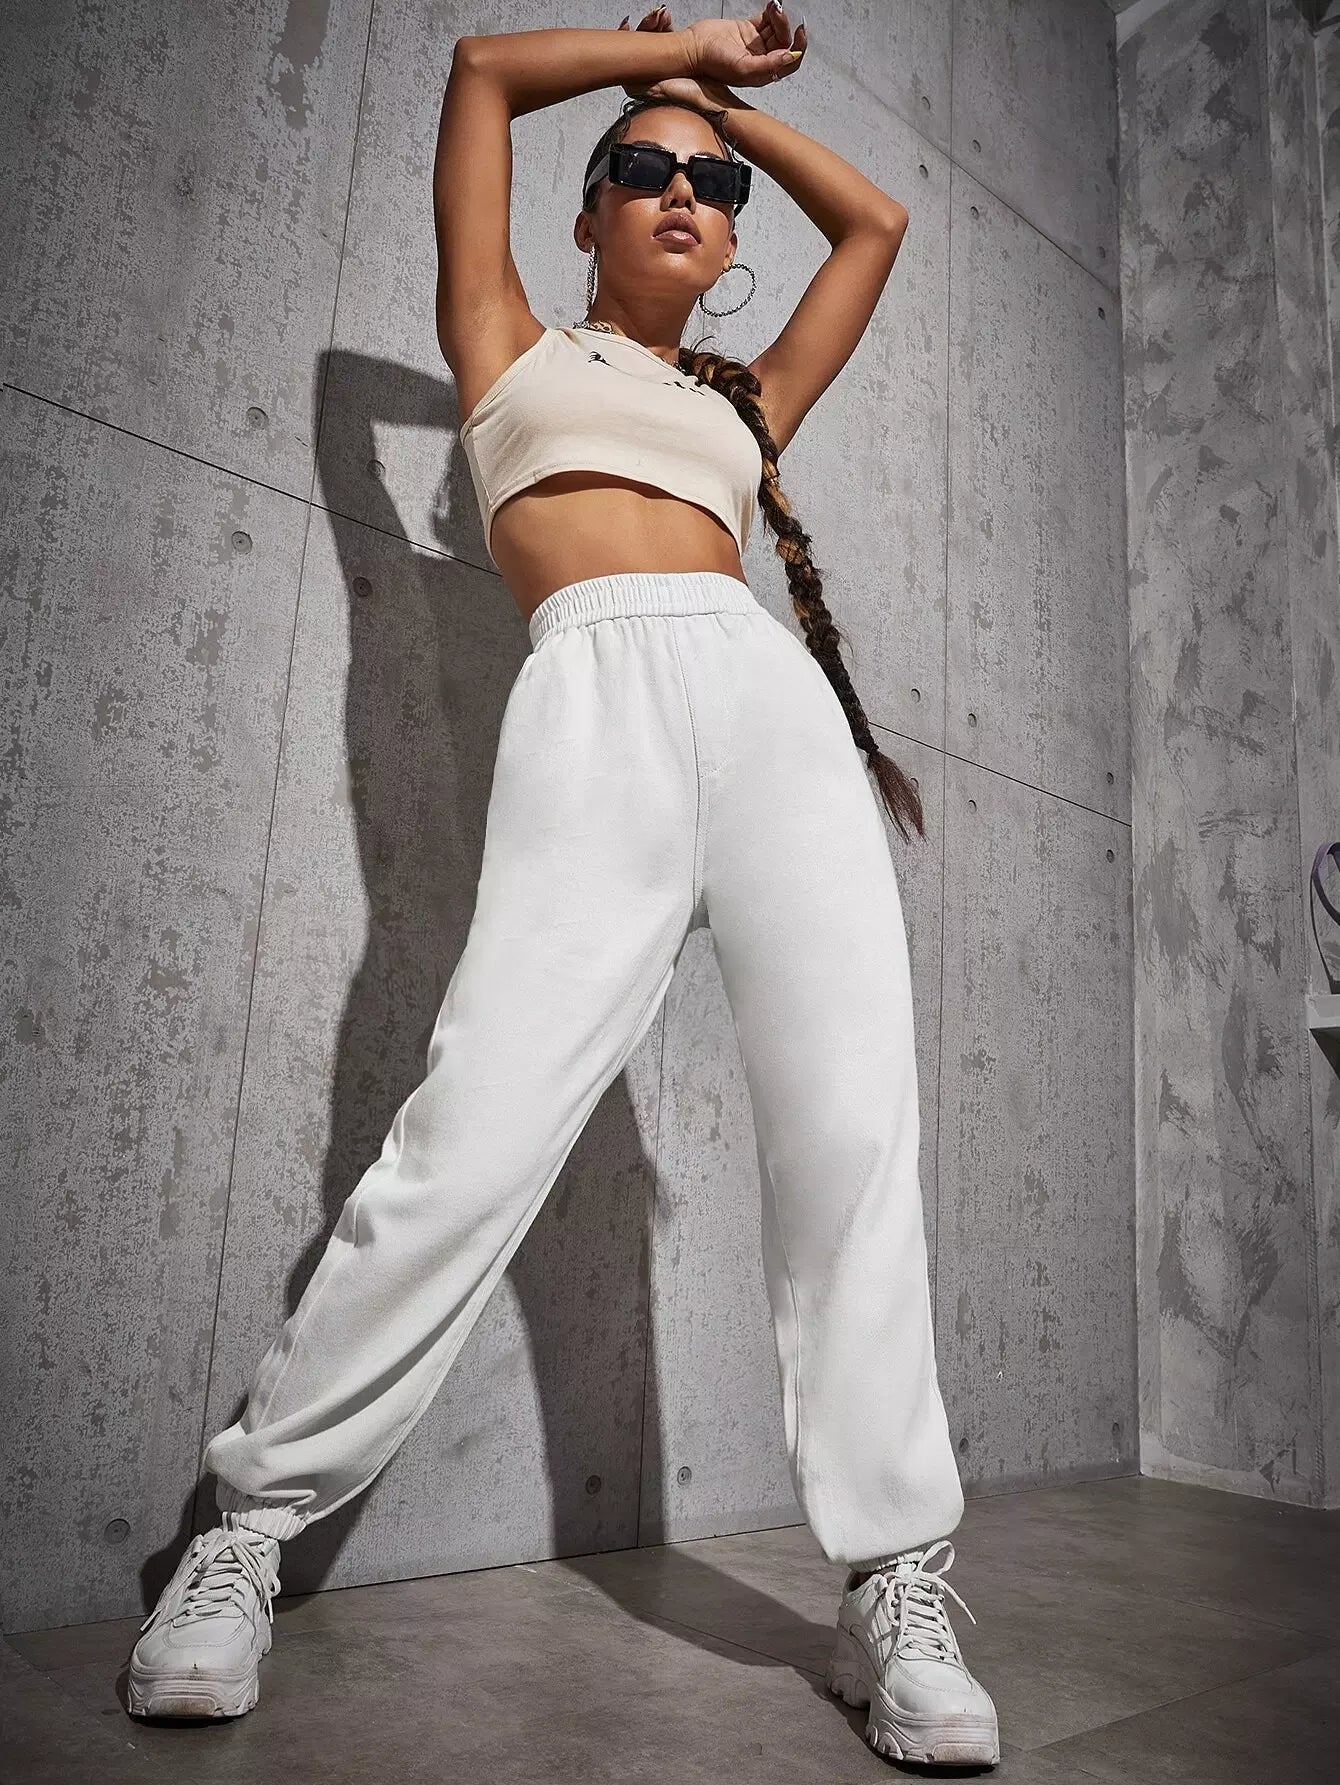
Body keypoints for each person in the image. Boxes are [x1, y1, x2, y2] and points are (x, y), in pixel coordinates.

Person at [125, 6, 999, 1768]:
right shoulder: (506, 344)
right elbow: (477, 75)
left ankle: (894, 1580)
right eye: (642, 171)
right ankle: (243, 1536)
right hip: (592, 701)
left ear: (732, 236)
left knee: (851, 1139)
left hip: (770, 718)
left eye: (711, 187)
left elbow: (878, 224)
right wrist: (674, 57)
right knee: (471, 1134)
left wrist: (721, 113)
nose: (682, 190)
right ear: (584, 209)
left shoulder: (746, 400)